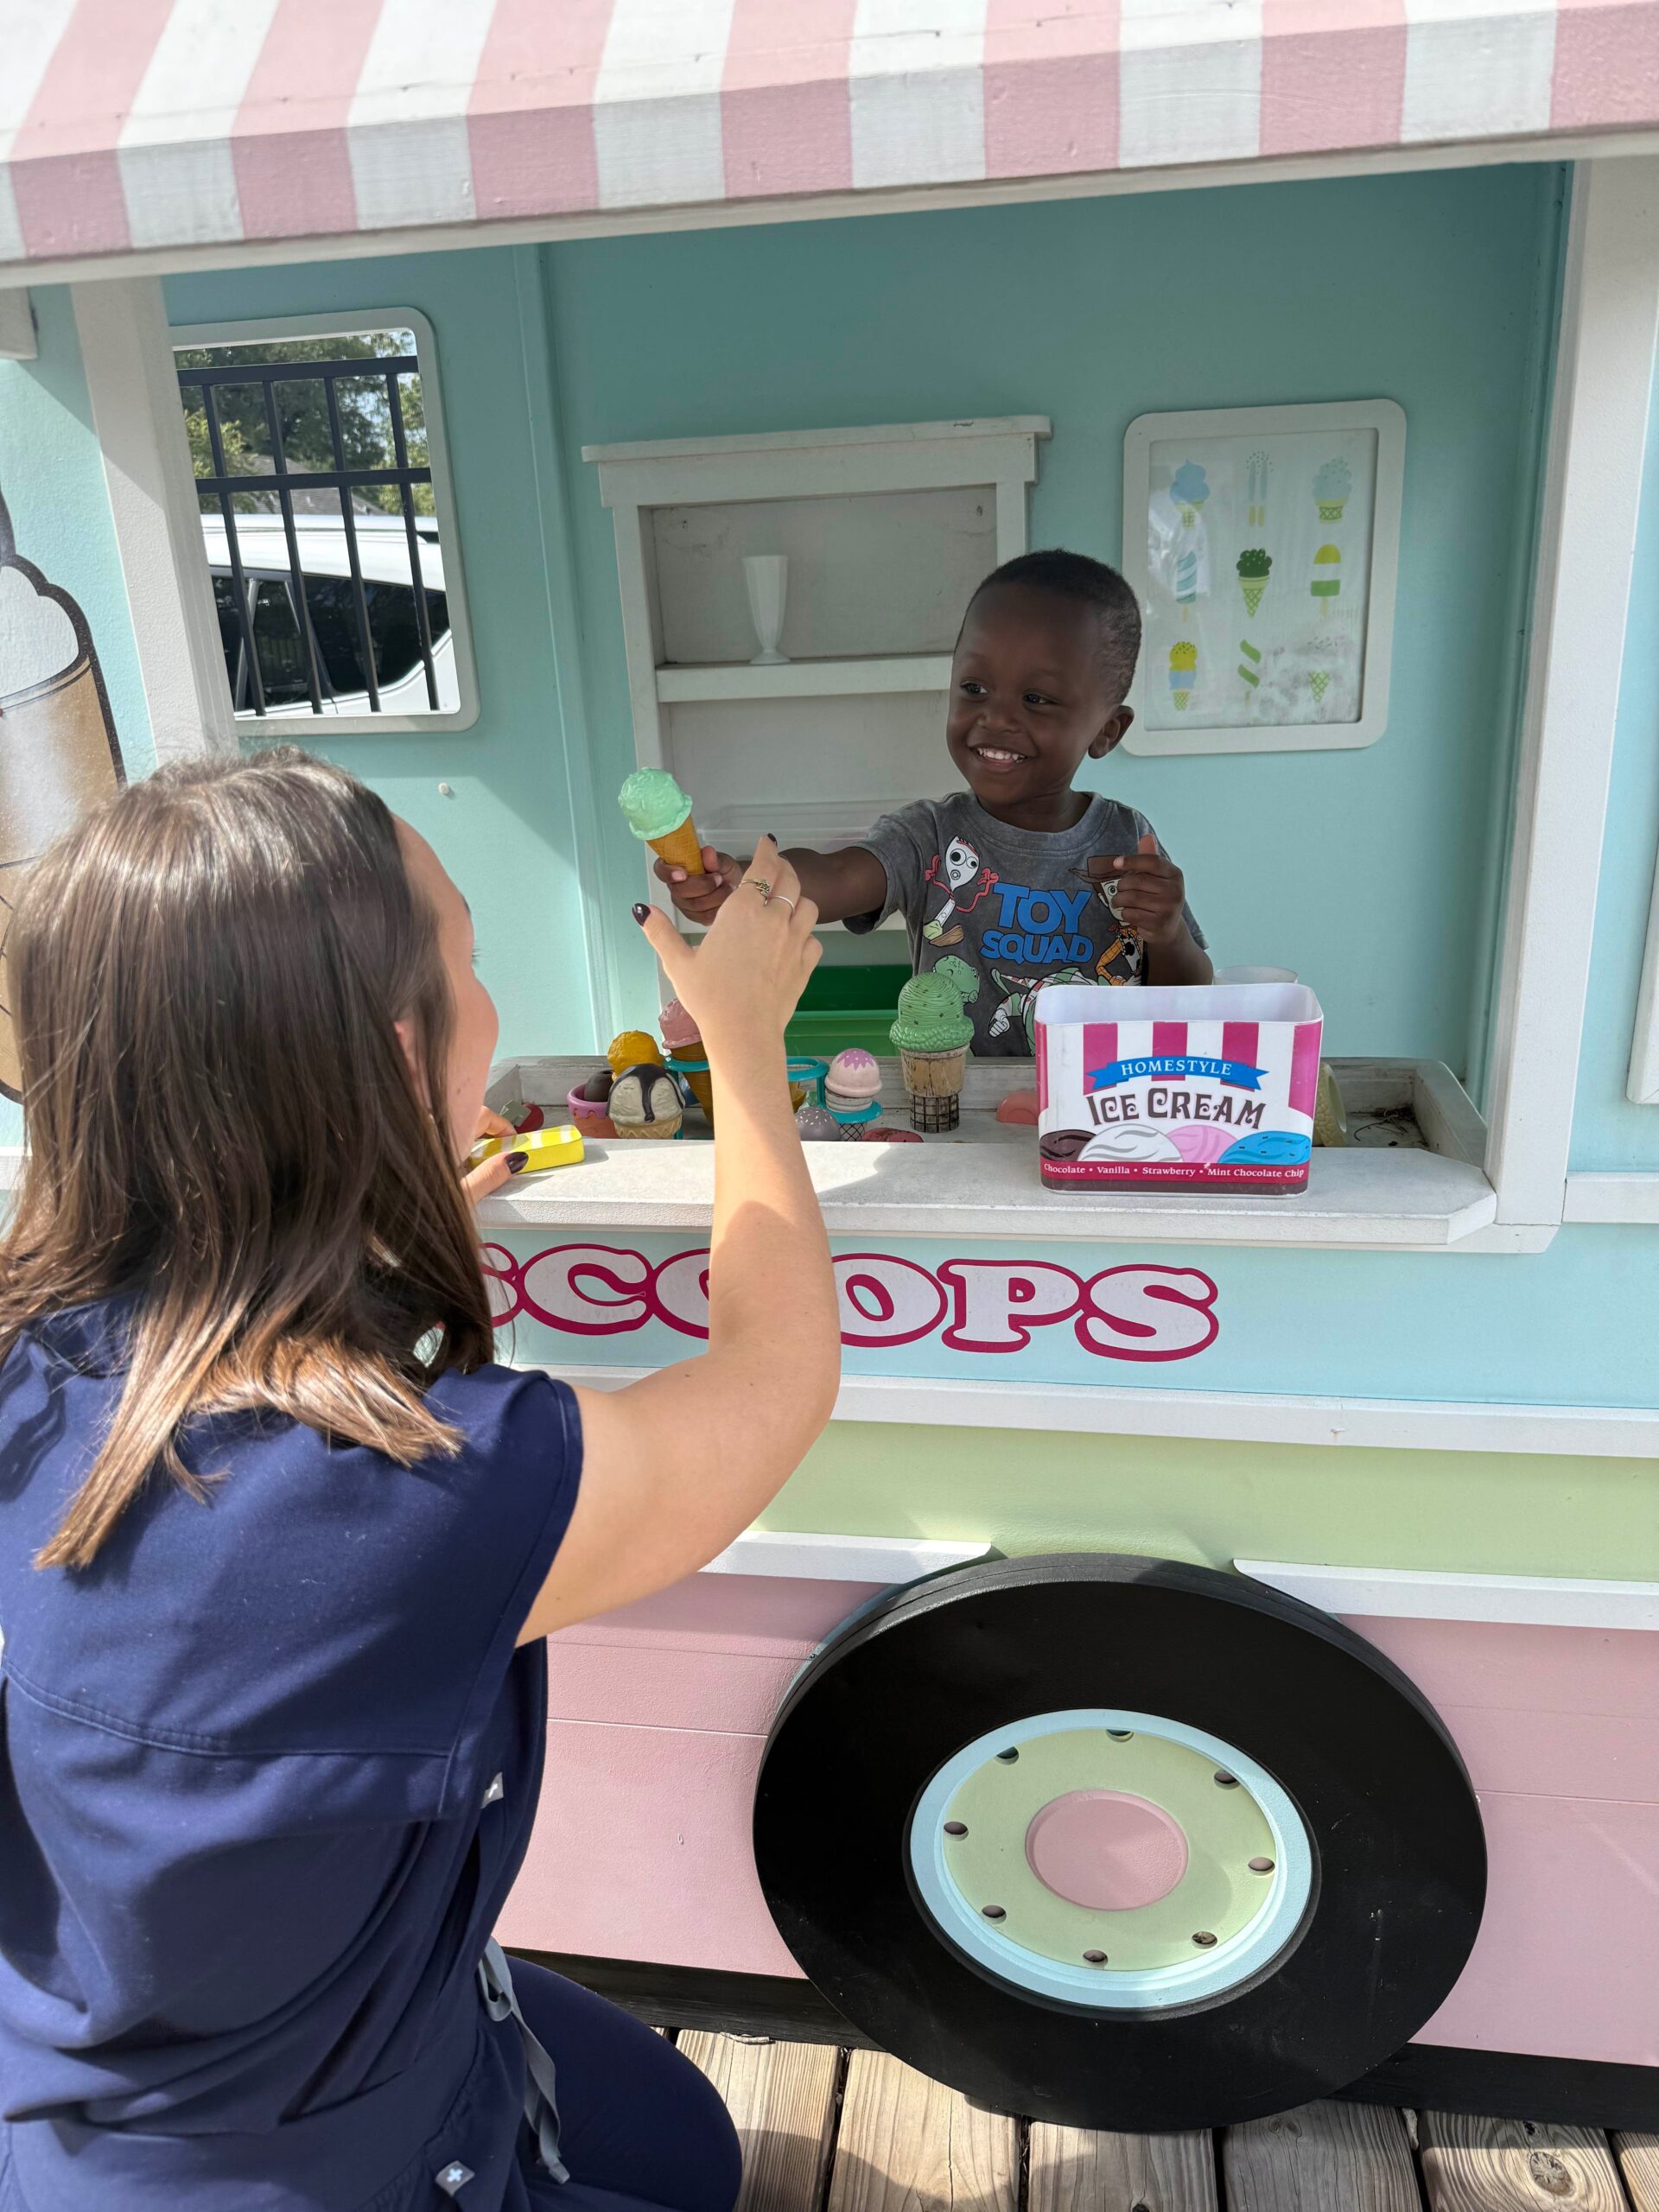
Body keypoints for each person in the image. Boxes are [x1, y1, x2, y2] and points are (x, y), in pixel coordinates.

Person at [0, 750, 840, 2212]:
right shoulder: (413, 1490)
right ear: (398, 1059)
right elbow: (773, 1384)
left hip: (107, 2063)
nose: (487, 994)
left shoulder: (37, 1362)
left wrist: (377, 1206)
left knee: (683, 2139)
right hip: (296, 2169)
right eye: (473, 956)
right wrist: (744, 1046)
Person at [658, 550, 1212, 1056]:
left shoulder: (1127, 841)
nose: (995, 716)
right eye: (975, 688)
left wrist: (1168, 934)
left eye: (1036, 698)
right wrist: (750, 886)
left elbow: (1189, 996)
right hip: (952, 1109)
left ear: (1107, 730)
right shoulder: (928, 836)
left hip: (1103, 1106)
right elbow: (836, 874)